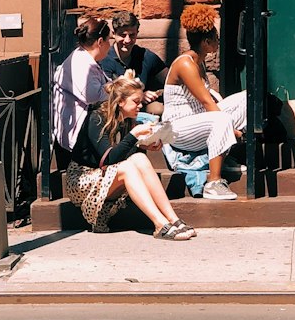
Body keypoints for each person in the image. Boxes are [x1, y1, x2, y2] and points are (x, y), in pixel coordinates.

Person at [64, 75, 197, 238]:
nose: (140, 106)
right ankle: (160, 225)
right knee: (127, 167)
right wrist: (133, 136)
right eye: (136, 101)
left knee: (139, 159)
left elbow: (126, 158)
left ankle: (173, 219)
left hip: (105, 177)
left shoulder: (126, 120)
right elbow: (107, 159)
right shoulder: (96, 118)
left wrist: (144, 145)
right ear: (120, 101)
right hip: (82, 180)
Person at [162, 3, 246, 202]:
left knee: (246, 99)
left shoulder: (198, 62)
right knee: (221, 120)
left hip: (198, 121)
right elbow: (206, 102)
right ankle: (214, 182)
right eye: (216, 39)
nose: (218, 42)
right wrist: (231, 130)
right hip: (178, 128)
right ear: (206, 42)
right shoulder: (185, 63)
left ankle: (221, 159)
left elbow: (212, 99)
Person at [50, 13, 113, 170]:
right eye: (108, 40)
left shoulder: (83, 58)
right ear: (100, 42)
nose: (110, 45)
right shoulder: (83, 64)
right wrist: (117, 89)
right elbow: (92, 96)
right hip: (79, 135)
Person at [100, 10, 167, 100]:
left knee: (157, 109)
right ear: (113, 34)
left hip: (142, 109)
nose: (127, 40)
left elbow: (171, 80)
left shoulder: (145, 56)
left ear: (137, 34)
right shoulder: (104, 59)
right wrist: (139, 96)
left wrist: (158, 93)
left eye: (132, 35)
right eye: (122, 35)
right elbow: (106, 96)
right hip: (115, 110)